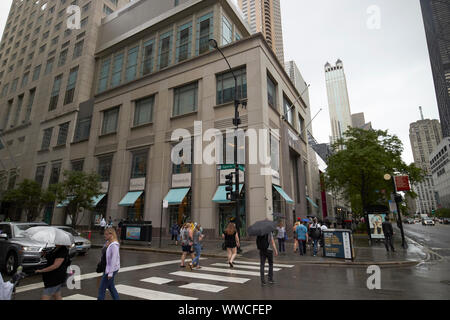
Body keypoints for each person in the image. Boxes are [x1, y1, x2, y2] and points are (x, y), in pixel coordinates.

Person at [98, 227, 120, 300]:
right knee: (111, 287)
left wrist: (110, 273)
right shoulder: (109, 243)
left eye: (106, 234)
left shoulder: (114, 245)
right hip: (107, 268)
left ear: (111, 234)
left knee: (102, 288)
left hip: (111, 269)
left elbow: (114, 259)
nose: (105, 236)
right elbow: (104, 253)